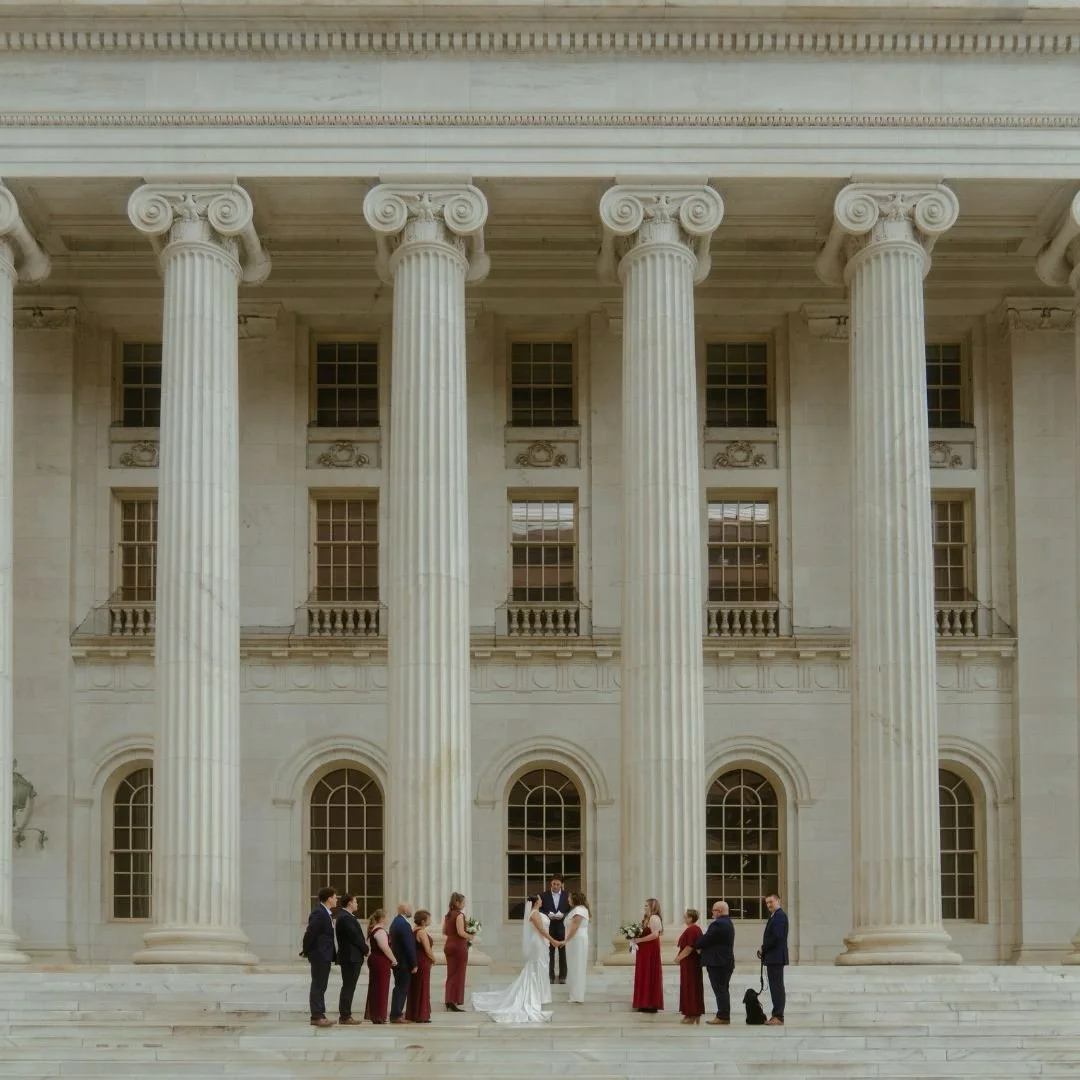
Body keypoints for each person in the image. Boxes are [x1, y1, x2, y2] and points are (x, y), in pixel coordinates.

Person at [472, 894, 558, 1023]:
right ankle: (534, 995)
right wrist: (553, 940)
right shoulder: (534, 914)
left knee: (540, 966)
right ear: (536, 902)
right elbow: (541, 930)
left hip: (542, 942)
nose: (542, 900)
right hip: (538, 942)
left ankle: (539, 994)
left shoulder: (538, 913)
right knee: (536, 967)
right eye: (540, 898)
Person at [300, 885, 338, 1027]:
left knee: (322, 985)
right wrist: (306, 949)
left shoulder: (326, 913)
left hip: (324, 955)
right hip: (320, 955)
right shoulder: (319, 913)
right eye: (335, 898)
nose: (336, 900)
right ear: (329, 899)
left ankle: (320, 1014)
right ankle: (316, 1016)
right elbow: (310, 933)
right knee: (318, 985)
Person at [695, 900, 735, 1025]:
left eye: (713, 910)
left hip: (718, 963)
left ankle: (723, 1016)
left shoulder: (718, 924)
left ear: (720, 911)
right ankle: (724, 1015)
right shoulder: (728, 923)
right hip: (725, 962)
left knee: (720, 990)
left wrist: (697, 943)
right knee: (723, 989)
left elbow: (704, 940)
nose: (712, 912)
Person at [333, 893, 369, 1026]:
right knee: (349, 986)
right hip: (350, 957)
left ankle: (346, 1014)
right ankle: (345, 1016)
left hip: (352, 957)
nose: (357, 904)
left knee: (349, 986)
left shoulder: (346, 916)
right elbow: (355, 937)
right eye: (355, 901)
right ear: (349, 903)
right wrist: (366, 950)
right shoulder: (345, 917)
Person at [758, 892, 789, 1026]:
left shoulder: (779, 916)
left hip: (776, 957)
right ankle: (777, 1015)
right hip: (773, 957)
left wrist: (764, 948)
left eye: (771, 902)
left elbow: (776, 937)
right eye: (767, 903)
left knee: (777, 987)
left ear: (778, 900)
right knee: (776, 987)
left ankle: (778, 1016)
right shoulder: (775, 916)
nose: (769, 905)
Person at [363, 909, 397, 1024]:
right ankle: (379, 1015)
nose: (388, 919)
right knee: (381, 988)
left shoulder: (376, 930)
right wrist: (394, 960)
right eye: (386, 917)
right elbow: (385, 948)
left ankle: (378, 1015)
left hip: (377, 961)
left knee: (379, 987)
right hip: (380, 961)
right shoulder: (380, 931)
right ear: (382, 918)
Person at [443, 891, 475, 1012]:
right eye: (463, 902)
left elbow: (444, 931)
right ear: (457, 903)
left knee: (451, 974)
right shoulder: (459, 915)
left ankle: (449, 999)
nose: (464, 905)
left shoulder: (448, 915)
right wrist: (470, 936)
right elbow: (461, 932)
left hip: (449, 945)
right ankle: (453, 1001)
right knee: (459, 974)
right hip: (458, 946)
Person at [631, 897, 664, 1013]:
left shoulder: (654, 918)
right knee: (643, 973)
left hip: (650, 949)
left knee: (649, 972)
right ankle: (643, 1002)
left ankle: (650, 1003)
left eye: (646, 905)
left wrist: (640, 940)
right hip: (644, 949)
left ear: (652, 907)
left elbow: (655, 934)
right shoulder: (646, 918)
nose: (644, 907)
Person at [388, 903, 418, 1024]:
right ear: (405, 911)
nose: (411, 910)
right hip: (404, 962)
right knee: (401, 988)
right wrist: (414, 963)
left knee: (399, 987)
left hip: (398, 961)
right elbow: (409, 946)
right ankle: (396, 1015)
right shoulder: (403, 925)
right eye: (410, 908)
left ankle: (396, 1013)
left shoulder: (396, 923)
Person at [675, 908, 705, 1024]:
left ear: (691, 918)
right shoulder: (695, 929)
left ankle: (691, 1014)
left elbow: (689, 947)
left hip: (690, 964)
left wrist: (678, 958)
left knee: (690, 987)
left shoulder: (692, 930)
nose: (684, 918)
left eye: (686, 916)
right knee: (692, 986)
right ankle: (693, 1014)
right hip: (691, 963)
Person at [406, 909, 435, 1023]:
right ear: (423, 921)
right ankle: (421, 1015)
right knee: (422, 987)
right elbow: (427, 949)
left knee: (416, 987)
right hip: (422, 961)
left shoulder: (413, 930)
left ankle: (414, 1014)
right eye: (429, 919)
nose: (430, 921)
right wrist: (434, 959)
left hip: (417, 961)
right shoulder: (422, 932)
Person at [540, 876, 571, 984]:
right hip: (549, 927)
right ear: (551, 884)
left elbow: (571, 910)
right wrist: (547, 914)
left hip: (563, 927)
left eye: (558, 884)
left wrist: (563, 915)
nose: (556, 886)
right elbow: (539, 909)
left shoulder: (567, 895)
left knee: (563, 953)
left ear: (561, 885)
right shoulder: (544, 895)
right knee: (549, 953)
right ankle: (550, 976)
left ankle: (563, 976)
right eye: (554, 884)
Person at [563, 890, 590, 1004]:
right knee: (574, 965)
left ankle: (577, 995)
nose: (568, 899)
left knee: (577, 965)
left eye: (569, 898)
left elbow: (575, 927)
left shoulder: (579, 910)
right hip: (575, 940)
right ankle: (574, 993)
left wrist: (566, 940)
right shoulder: (577, 910)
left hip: (577, 939)